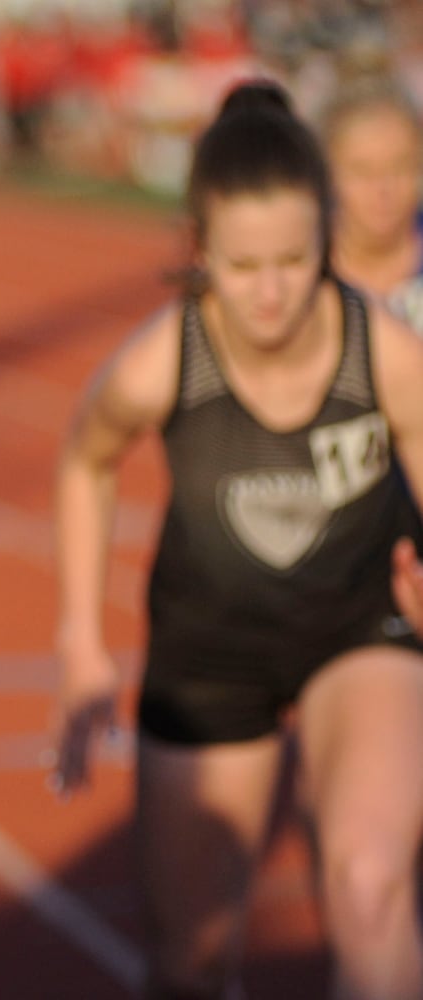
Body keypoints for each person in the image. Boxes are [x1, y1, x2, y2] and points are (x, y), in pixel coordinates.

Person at [52, 79, 423, 999]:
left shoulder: (383, 347)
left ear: (327, 241)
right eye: (242, 264)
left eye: (294, 261)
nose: (269, 292)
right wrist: (80, 639)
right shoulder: (157, 362)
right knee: (193, 957)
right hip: (208, 646)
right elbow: (83, 463)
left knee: (372, 887)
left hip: (361, 627)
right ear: (198, 248)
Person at [321, 73, 423, 332]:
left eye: (400, 167)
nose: (383, 189)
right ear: (329, 173)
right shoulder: (305, 271)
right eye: (362, 172)